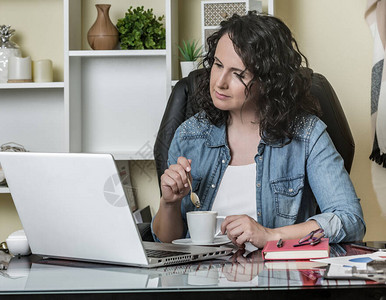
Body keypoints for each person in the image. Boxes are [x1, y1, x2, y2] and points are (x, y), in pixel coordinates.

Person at [151, 11, 365, 248]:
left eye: (238, 74)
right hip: (201, 280)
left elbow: (350, 219)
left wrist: (270, 235)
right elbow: (166, 242)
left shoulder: (307, 134)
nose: (220, 82)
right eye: (218, 65)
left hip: (279, 278)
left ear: (268, 81)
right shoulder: (190, 134)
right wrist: (168, 203)